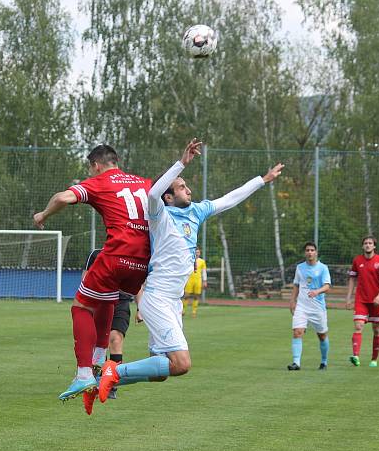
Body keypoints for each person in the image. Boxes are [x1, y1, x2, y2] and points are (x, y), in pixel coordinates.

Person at [98, 139, 283, 403]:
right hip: (158, 297)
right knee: (182, 363)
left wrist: (262, 180)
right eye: (182, 186)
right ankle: (112, 373)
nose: (189, 189)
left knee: (163, 369)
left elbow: (229, 199)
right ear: (169, 197)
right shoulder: (159, 215)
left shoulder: (196, 212)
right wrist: (181, 163)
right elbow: (152, 194)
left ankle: (104, 379)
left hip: (173, 302)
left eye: (186, 185)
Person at [33, 144, 152, 405]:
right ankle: (99, 359)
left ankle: (84, 373)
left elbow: (62, 198)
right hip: (143, 261)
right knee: (108, 299)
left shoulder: (100, 181)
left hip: (117, 254)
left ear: (96, 165)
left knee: (81, 308)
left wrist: (43, 214)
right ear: (117, 160)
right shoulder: (144, 183)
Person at [83, 248, 144, 406]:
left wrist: (140, 308)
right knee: (97, 344)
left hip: (121, 303)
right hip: (98, 302)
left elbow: (138, 285)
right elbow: (86, 278)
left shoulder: (132, 255)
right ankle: (92, 382)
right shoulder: (96, 254)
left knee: (115, 339)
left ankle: (112, 384)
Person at [346, 235, 379, 367]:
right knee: (358, 326)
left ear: (374, 246)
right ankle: (356, 356)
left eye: (370, 243)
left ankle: (374, 359)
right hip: (361, 300)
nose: (368, 245)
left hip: (376, 300)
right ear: (362, 246)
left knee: (376, 329)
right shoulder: (357, 260)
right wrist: (348, 297)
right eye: (365, 243)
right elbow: (352, 279)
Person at [288, 242, 331, 371]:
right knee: (297, 332)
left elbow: (327, 286)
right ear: (305, 252)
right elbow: (296, 285)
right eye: (307, 250)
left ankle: (324, 361)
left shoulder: (323, 268)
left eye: (312, 250)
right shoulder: (300, 268)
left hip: (317, 308)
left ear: (316, 252)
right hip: (302, 306)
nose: (310, 252)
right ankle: (296, 363)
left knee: (322, 335)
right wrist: (292, 301)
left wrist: (317, 291)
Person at [182, 247, 207, 317]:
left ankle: (194, 311)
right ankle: (183, 310)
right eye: (196, 252)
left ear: (200, 253)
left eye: (198, 252)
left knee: (196, 296)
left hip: (198, 280)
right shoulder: (189, 260)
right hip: (190, 280)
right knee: (186, 295)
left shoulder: (202, 261)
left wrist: (204, 281)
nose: (197, 254)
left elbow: (204, 272)